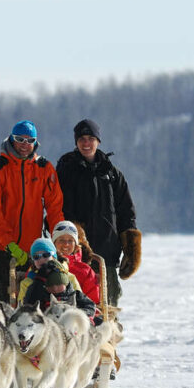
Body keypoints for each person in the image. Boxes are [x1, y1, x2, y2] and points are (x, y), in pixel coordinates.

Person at [56, 119, 141, 307]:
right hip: (76, 256)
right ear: (76, 142)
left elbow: (126, 212)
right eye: (82, 139)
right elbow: (61, 210)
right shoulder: (66, 170)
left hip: (108, 253)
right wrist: (78, 241)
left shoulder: (112, 174)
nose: (86, 143)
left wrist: (131, 248)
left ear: (98, 141)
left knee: (108, 309)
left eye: (91, 138)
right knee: (79, 311)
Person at [0, 120, 65, 303]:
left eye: (30, 140)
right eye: (20, 139)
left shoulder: (44, 168)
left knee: (33, 302)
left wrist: (60, 239)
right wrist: (9, 245)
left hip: (33, 250)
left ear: (36, 142)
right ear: (11, 139)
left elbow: (54, 207)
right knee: (1, 303)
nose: (25, 145)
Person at [17, 237, 81, 305]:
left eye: (46, 255)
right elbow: (23, 308)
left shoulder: (69, 277)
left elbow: (80, 302)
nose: (41, 259)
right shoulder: (27, 282)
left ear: (54, 257)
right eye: (36, 257)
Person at [21, 263, 98, 320]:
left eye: (59, 285)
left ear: (66, 283)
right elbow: (28, 305)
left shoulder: (75, 295)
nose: (55, 289)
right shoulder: (41, 297)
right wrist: (38, 282)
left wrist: (81, 314)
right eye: (50, 286)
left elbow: (90, 306)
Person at [51, 220, 100, 306]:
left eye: (70, 240)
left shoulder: (85, 271)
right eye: (61, 240)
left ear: (76, 245)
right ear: (54, 243)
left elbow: (92, 301)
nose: (66, 244)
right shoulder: (45, 264)